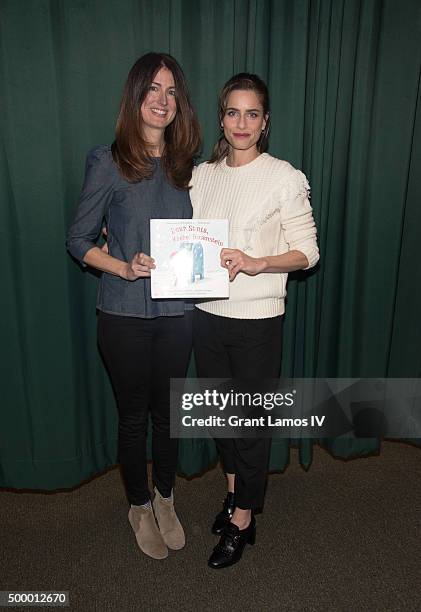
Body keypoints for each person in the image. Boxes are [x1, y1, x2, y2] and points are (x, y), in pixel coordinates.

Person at [66, 53, 201, 560]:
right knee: (132, 419)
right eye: (153, 90)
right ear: (135, 96)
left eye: (171, 92)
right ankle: (138, 505)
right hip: (123, 313)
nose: (163, 101)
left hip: (177, 314)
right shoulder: (108, 161)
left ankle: (166, 497)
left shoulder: (191, 167)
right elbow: (78, 239)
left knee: (169, 417)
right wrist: (122, 266)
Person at [190, 73, 319, 569]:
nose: (241, 123)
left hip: (256, 318)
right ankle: (232, 492)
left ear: (265, 123)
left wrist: (258, 262)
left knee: (250, 423)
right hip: (205, 315)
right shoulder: (203, 174)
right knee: (221, 416)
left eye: (252, 114)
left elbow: (308, 251)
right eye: (231, 112)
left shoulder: (284, 177)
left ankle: (244, 517)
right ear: (221, 118)